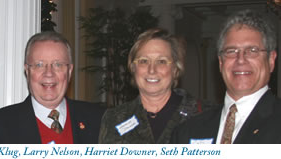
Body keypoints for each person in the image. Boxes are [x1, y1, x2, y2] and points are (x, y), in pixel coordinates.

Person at [171, 9, 281, 144]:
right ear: (221, 62)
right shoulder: (187, 132)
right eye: (231, 51)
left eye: (252, 50)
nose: (240, 59)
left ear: (271, 60)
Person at [0, 31, 105, 144]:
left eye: (58, 64)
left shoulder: (99, 120)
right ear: (27, 71)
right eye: (39, 65)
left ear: (69, 71)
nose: (49, 73)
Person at [99, 28, 211, 144]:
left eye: (161, 61)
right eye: (144, 61)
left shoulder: (205, 114)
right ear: (133, 68)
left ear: (175, 69)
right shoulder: (114, 118)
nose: (152, 70)